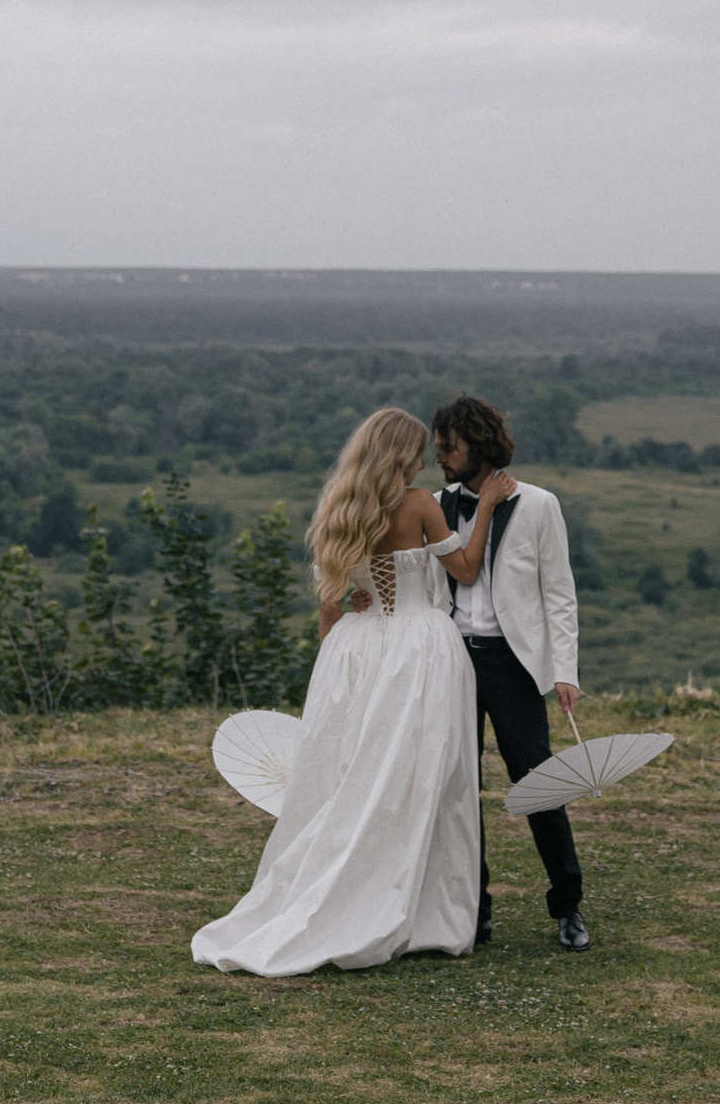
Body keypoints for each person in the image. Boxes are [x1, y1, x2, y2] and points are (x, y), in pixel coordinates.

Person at [191, 407, 515, 976]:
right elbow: (464, 569)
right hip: (418, 649)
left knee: (355, 772)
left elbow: (329, 614)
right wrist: (484, 508)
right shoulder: (419, 504)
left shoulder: (338, 510)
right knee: (424, 776)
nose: (423, 459)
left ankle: (347, 888)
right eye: (417, 450)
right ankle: (425, 910)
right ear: (400, 455)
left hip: (355, 650)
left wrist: (349, 642)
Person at [432, 395, 589, 953]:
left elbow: (560, 596)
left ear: (478, 442)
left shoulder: (541, 505)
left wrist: (564, 670)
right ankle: (475, 911)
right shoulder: (436, 504)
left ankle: (567, 904)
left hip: (514, 663)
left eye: (449, 446)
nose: (441, 456)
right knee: (459, 787)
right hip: (453, 659)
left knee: (538, 781)